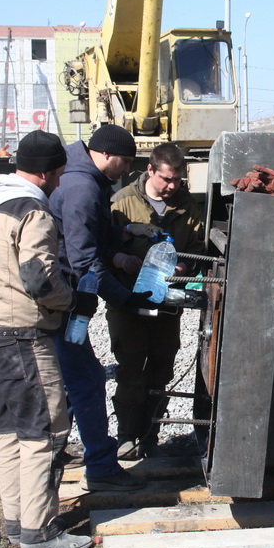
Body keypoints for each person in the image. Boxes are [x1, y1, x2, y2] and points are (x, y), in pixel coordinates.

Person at [0, 129, 93, 548]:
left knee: (11, 430)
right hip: (24, 336)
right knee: (46, 431)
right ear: (46, 172)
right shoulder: (34, 213)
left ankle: (17, 520)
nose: (60, 180)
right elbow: (39, 280)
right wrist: (73, 299)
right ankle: (40, 531)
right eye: (59, 172)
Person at [49, 124, 159, 491]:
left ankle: (54, 452)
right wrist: (125, 297)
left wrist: (125, 232)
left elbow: (90, 235)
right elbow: (84, 261)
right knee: (87, 378)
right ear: (106, 154)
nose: (127, 170)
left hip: (70, 297)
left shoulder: (88, 181)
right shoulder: (81, 187)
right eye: (125, 161)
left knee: (70, 377)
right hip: (67, 298)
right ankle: (99, 466)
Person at [109, 142, 205, 459]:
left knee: (162, 369)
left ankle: (151, 435)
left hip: (167, 303)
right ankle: (127, 436)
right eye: (166, 179)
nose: (172, 186)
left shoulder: (188, 206)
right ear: (150, 170)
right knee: (131, 368)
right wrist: (121, 259)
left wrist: (184, 266)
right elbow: (100, 247)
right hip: (128, 302)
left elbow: (199, 249)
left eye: (177, 180)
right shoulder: (122, 203)